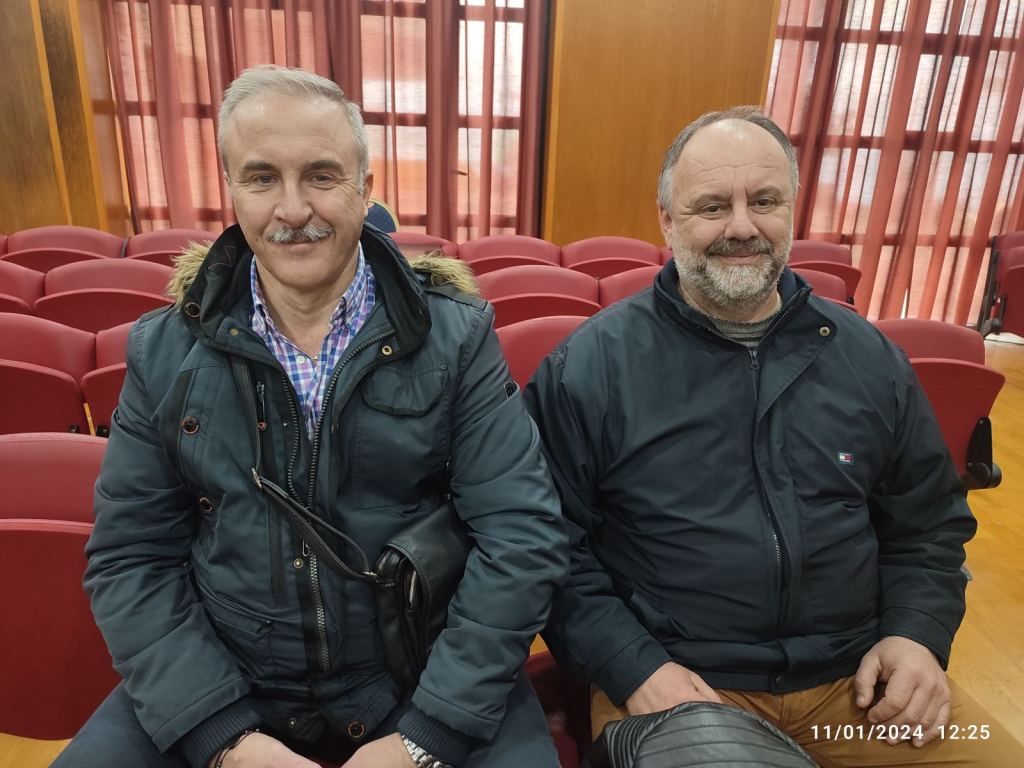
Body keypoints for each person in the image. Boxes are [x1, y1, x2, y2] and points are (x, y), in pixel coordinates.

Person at [54, 65, 566, 768]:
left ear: (366, 188)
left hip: (422, 679)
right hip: (226, 683)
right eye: (263, 178)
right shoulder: (163, 351)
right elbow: (130, 558)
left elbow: (521, 536)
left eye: (322, 176)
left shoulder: (458, 338)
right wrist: (224, 738)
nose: (293, 209)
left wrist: (427, 736)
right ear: (231, 189)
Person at [525, 106, 1024, 767]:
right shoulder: (589, 368)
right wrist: (632, 665)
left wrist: (916, 635)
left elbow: (928, 523)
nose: (742, 226)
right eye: (712, 206)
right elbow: (548, 548)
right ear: (668, 221)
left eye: (764, 201)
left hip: (858, 682)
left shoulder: (868, 357)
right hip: (685, 684)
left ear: (792, 210)